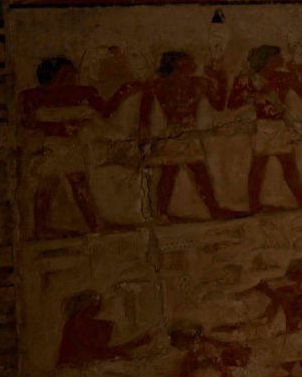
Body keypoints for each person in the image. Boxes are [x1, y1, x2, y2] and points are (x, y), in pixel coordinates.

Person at [18, 56, 123, 237]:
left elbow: (105, 110)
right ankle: (45, 228)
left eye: (71, 72)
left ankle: (93, 225)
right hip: (51, 145)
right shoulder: (32, 95)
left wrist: (123, 91)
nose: (71, 76)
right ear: (52, 74)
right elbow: (28, 122)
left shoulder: (84, 91)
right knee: (49, 185)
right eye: (65, 73)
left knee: (75, 184)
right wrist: (57, 128)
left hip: (70, 145)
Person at [134, 50, 234, 220]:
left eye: (191, 61)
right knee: (172, 173)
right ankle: (164, 213)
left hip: (186, 134)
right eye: (186, 61)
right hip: (174, 134)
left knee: (192, 172)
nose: (192, 64)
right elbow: (144, 117)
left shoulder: (198, 83)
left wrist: (221, 79)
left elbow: (219, 105)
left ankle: (209, 210)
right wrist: (144, 141)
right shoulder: (158, 85)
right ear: (176, 65)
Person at [233, 43, 302, 212]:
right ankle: (254, 205)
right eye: (277, 56)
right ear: (267, 60)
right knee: (259, 166)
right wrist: (255, 95)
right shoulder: (248, 78)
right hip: (262, 126)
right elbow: (233, 102)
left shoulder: (283, 77)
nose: (281, 59)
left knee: (288, 164)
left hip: (279, 125)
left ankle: (301, 200)